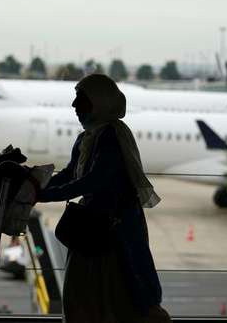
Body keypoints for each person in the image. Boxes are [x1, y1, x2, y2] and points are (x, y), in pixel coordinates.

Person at [37, 74, 171, 322]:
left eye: (81, 99)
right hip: (95, 228)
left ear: (98, 103)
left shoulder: (110, 137)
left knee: (116, 294)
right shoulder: (87, 138)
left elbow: (93, 181)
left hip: (114, 233)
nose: (74, 106)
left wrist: (45, 194)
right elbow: (70, 173)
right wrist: (39, 187)